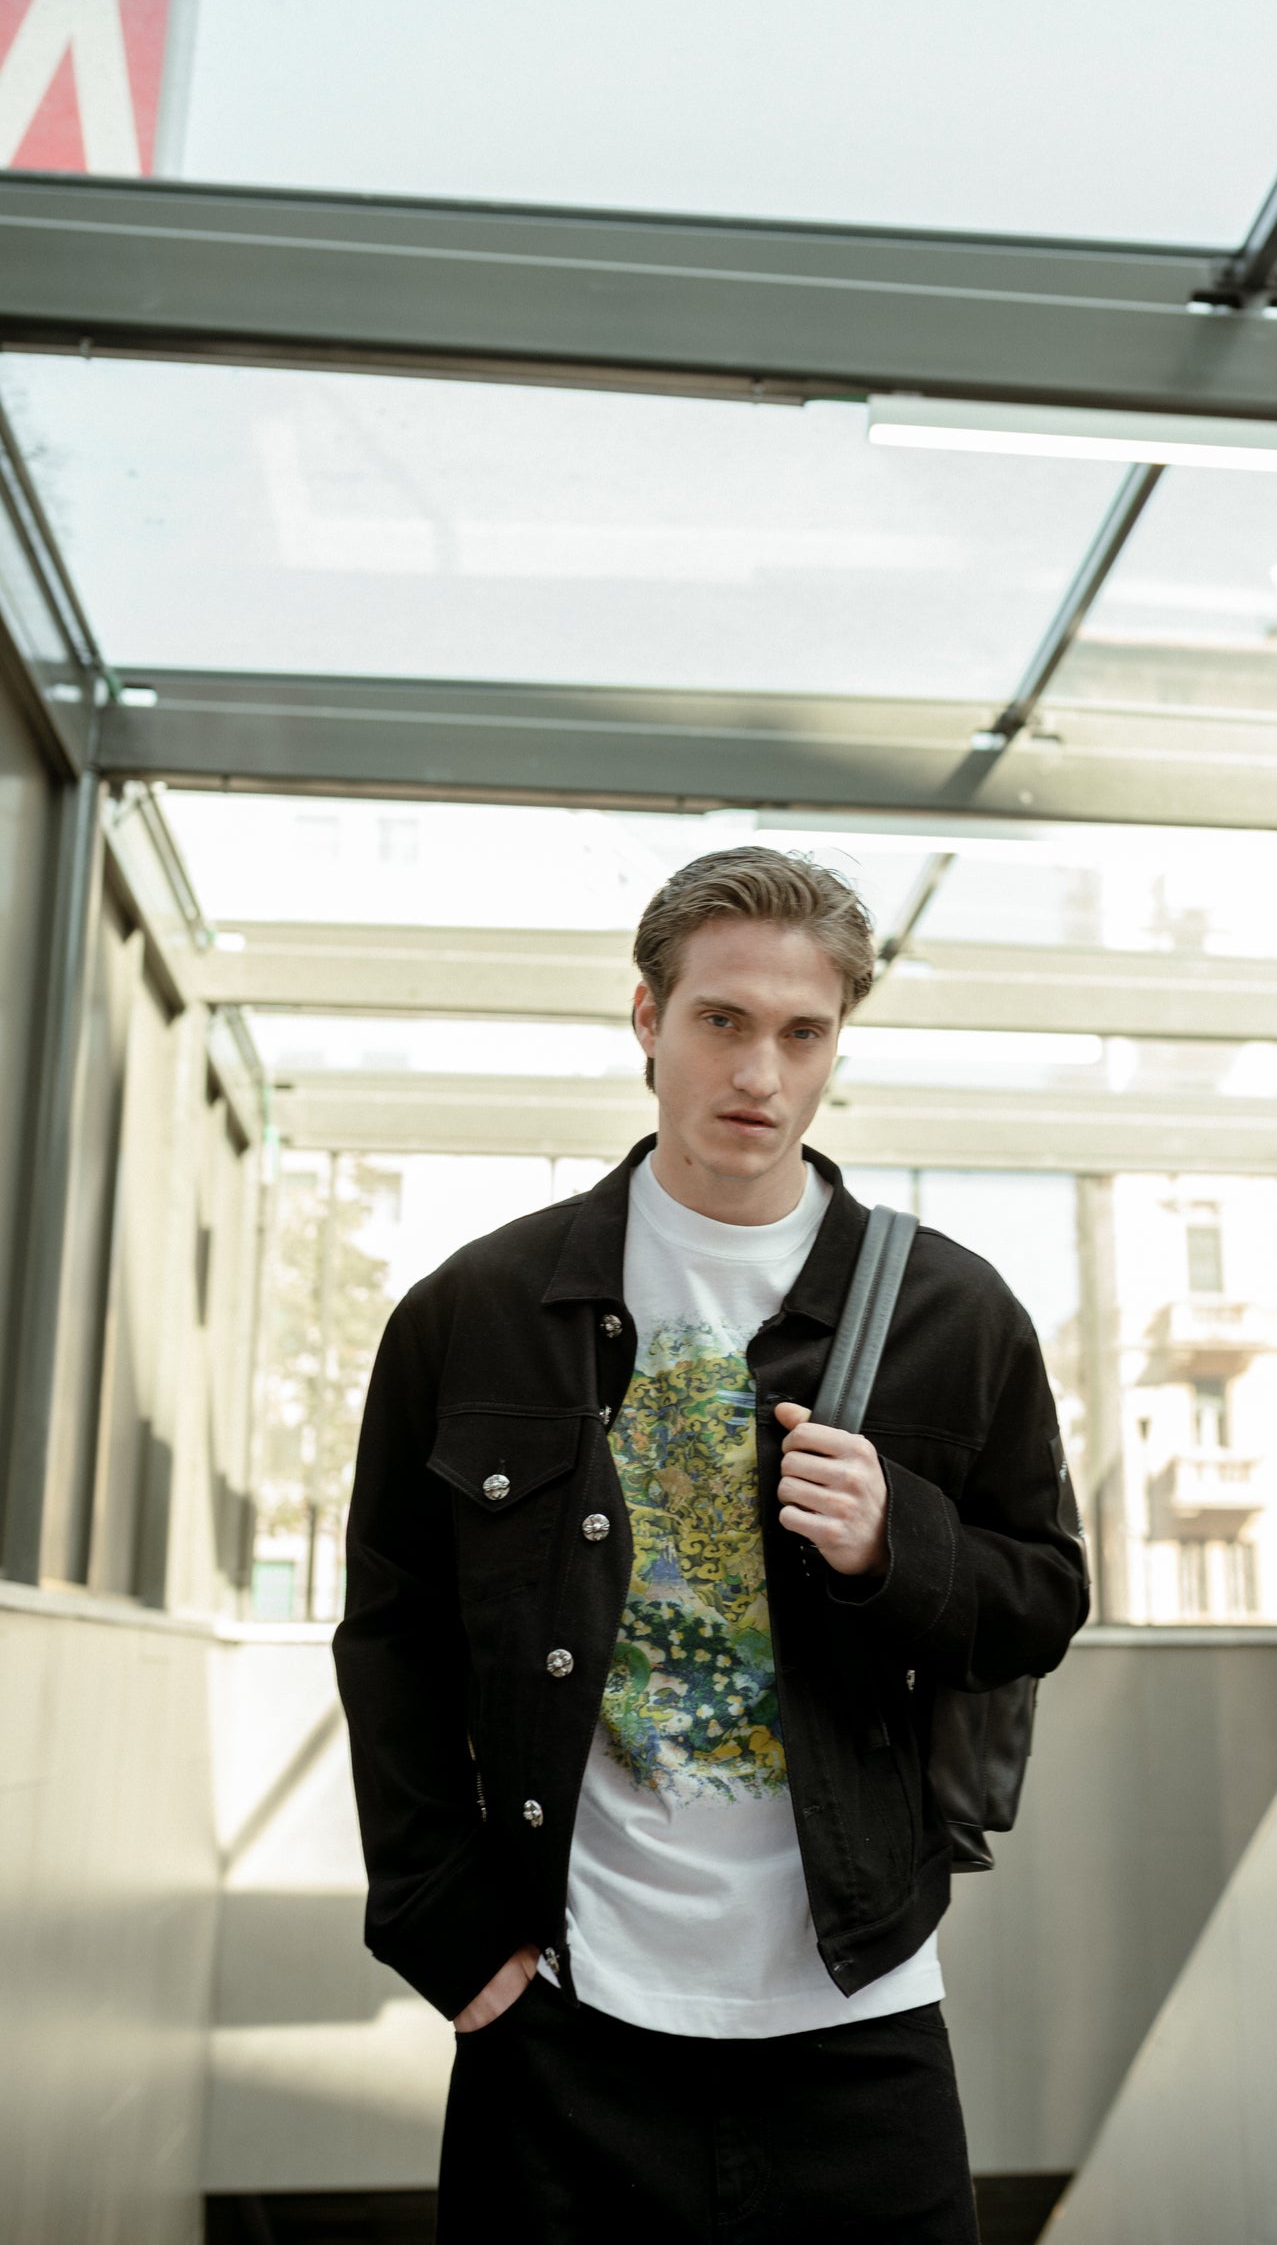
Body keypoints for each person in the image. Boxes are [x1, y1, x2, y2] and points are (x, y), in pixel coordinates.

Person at [333, 846, 1090, 2242]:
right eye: (722, 1020)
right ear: (648, 1020)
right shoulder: (475, 1312)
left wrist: (893, 1549)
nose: (762, 1071)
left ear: (836, 1044)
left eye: (804, 1032)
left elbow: (1044, 1595)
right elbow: (393, 1634)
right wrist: (446, 1935)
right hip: (561, 2013)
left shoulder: (952, 1312)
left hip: (857, 2009)